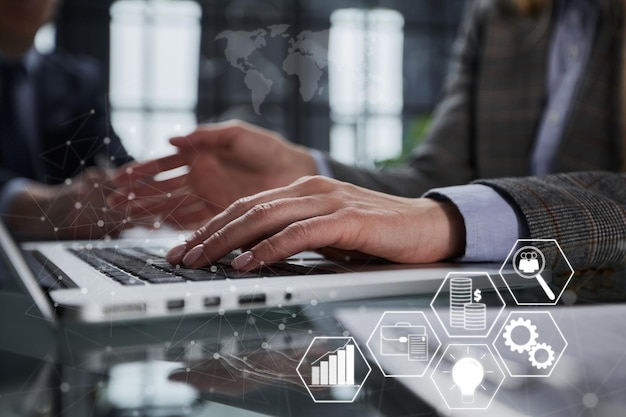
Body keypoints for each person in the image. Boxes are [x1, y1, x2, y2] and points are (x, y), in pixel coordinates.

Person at [109, 0, 626, 271]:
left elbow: (450, 209)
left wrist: (449, 219)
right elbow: (443, 178)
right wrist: (307, 175)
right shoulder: (500, 14)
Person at [0, 0, 133, 239]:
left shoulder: (79, 79)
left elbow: (115, 156)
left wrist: (137, 186)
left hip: (69, 249)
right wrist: (22, 204)